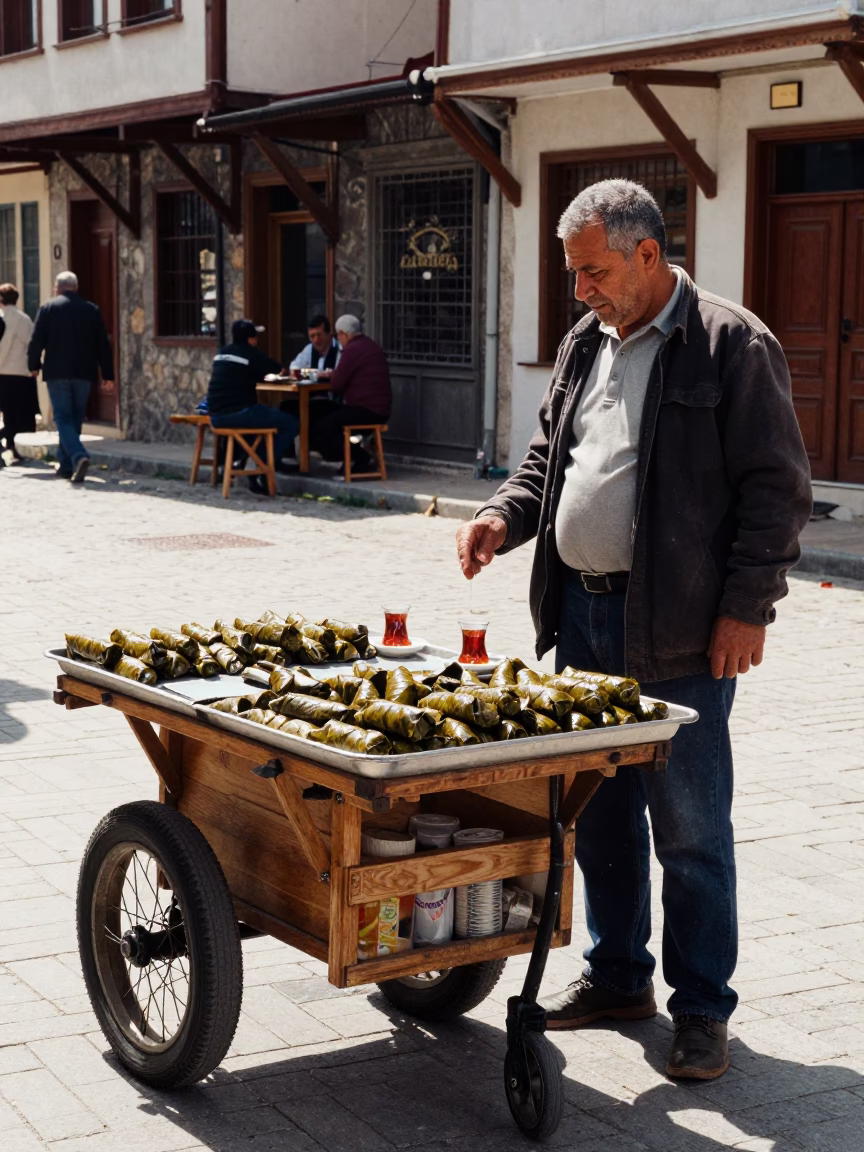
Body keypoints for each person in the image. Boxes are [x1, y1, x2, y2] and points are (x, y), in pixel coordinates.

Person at [455, 179, 812, 1081]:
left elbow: (778, 491)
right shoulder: (587, 342)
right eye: (574, 273)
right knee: (600, 813)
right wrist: (505, 516)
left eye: (593, 271)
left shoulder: (731, 344)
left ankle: (701, 1010)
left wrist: (747, 608)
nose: (581, 289)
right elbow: (550, 458)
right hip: (582, 613)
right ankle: (618, 975)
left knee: (690, 825)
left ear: (649, 256)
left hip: (684, 628)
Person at [27, 271, 114, 484]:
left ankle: (78, 456)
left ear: (57, 288)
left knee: (62, 418)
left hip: (57, 372)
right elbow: (103, 344)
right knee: (74, 419)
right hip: (84, 372)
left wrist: (33, 365)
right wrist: (108, 374)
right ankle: (66, 467)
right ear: (75, 288)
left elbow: (37, 340)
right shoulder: (91, 310)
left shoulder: (48, 309)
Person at [206, 318, 298, 494]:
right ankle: (263, 467)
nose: (256, 341)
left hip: (216, 417)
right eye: (255, 337)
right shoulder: (250, 354)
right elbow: (278, 370)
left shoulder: (221, 354)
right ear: (250, 339)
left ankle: (241, 464)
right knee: (290, 423)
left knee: (258, 426)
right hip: (240, 413)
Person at [310, 314, 391, 475]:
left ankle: (359, 457)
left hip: (366, 409)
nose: (338, 339)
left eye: (338, 335)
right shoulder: (370, 345)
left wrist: (329, 376)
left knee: (323, 426)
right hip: (381, 409)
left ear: (344, 334)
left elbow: (337, 384)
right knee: (328, 418)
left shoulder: (352, 350)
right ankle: (355, 458)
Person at [0, 283, 38, 465]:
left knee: (7, 412)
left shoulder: (3, 318)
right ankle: (16, 446)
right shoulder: (24, 319)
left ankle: (8, 440)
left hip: (3, 372)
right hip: (21, 373)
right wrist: (34, 367)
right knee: (21, 411)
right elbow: (31, 345)